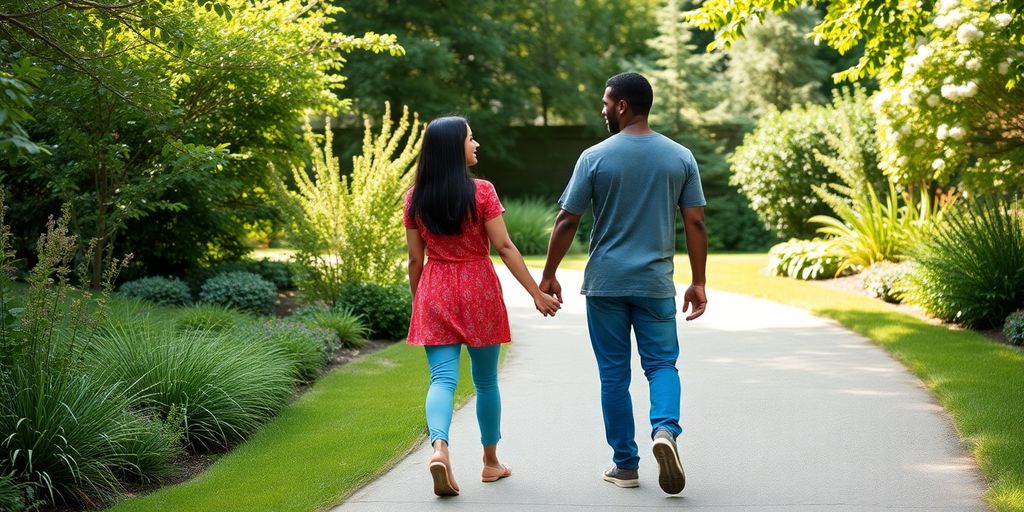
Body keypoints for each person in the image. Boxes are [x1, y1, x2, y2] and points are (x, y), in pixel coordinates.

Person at [539, 72, 708, 495]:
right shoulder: (680, 157)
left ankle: (625, 465)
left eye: (605, 103)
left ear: (622, 106)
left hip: (606, 284)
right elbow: (696, 221)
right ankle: (665, 430)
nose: (602, 110)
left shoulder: (594, 157)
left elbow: (567, 219)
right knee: (662, 365)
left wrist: (549, 273)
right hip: (654, 284)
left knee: (614, 376)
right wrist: (699, 281)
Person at [404, 116, 561, 497]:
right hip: (478, 287)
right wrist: (535, 293)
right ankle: (491, 463)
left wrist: (418, 303)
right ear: (454, 147)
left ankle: (439, 448)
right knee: (486, 381)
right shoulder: (483, 192)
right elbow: (505, 248)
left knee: (442, 380)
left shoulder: (415, 196)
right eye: (471, 139)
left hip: (435, 286)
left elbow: (414, 259)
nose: (477, 145)